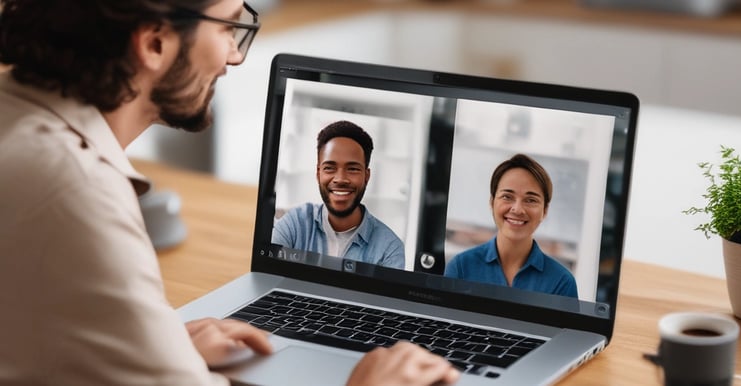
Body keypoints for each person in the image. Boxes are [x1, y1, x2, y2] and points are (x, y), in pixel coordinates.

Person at [0, 1, 459, 385]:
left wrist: (160, 348)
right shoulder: (77, 194)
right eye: (227, 26)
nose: (234, 57)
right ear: (154, 43)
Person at [272, 120, 406, 269]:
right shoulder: (295, 223)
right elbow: (269, 273)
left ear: (366, 176)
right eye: (329, 168)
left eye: (353, 169)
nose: (341, 179)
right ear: (318, 174)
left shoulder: (390, 248)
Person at [444, 154, 578, 298]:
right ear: (492, 202)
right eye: (507, 197)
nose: (517, 209)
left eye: (530, 200)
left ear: (544, 211)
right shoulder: (461, 267)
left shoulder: (561, 283)